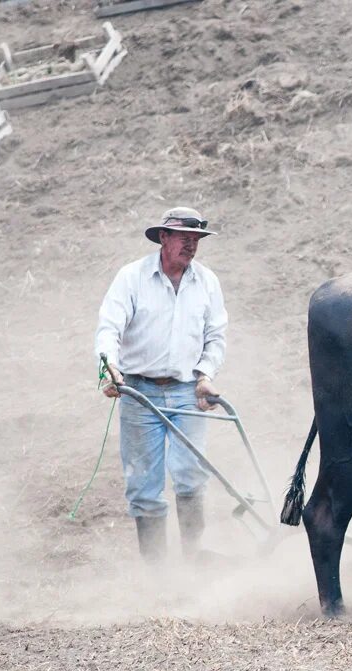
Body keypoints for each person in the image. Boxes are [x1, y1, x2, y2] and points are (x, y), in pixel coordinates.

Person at [95, 207, 228, 561]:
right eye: (184, 238)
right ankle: (157, 575)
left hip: (188, 390)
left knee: (190, 473)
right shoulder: (132, 278)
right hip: (139, 391)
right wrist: (109, 367)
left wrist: (206, 375)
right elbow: (110, 327)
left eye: (196, 239)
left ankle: (194, 557)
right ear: (163, 238)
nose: (191, 245)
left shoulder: (207, 282)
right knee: (143, 485)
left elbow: (215, 336)